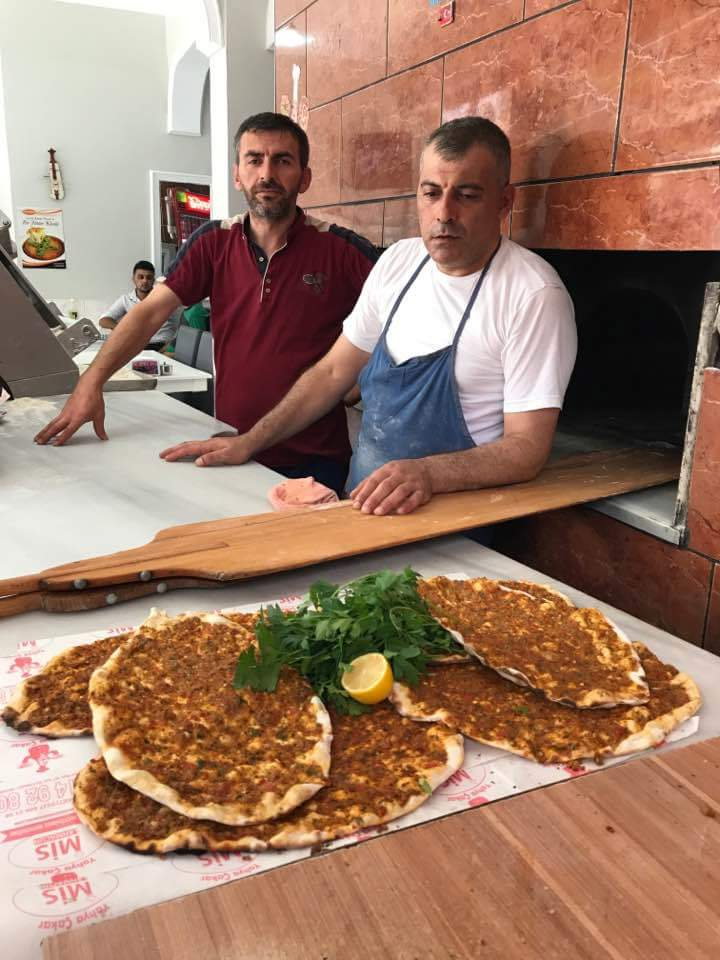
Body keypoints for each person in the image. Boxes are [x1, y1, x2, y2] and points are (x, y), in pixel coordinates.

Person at [160, 117, 577, 517]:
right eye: (431, 193)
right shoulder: (399, 262)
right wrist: (250, 442)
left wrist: (429, 473)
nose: (444, 213)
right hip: (360, 507)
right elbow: (332, 374)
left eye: (467, 195)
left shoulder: (533, 295)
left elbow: (527, 448)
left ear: (505, 201)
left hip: (455, 526)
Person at [35, 112, 379, 495]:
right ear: (237, 174)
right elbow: (150, 312)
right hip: (233, 445)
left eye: (283, 160)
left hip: (315, 458)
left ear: (305, 176)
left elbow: (404, 313)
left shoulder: (341, 249)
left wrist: (360, 380)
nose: (267, 173)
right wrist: (91, 382)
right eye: (254, 159)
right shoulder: (214, 242)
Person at [98, 261, 182, 350]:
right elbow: (103, 320)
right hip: (136, 346)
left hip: (163, 345)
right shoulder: (126, 300)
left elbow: (182, 321)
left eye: (149, 278)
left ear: (153, 280)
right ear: (133, 279)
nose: (145, 281)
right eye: (140, 277)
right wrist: (122, 330)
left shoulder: (164, 298)